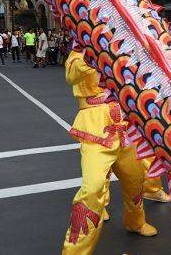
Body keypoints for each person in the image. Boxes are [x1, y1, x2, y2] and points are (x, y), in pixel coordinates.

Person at [62, 43, 157, 253]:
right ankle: (74, 251)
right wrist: (92, 52)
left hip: (126, 126)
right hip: (95, 129)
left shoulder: (120, 48)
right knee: (93, 188)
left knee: (135, 180)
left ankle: (135, 221)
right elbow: (71, 75)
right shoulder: (78, 54)